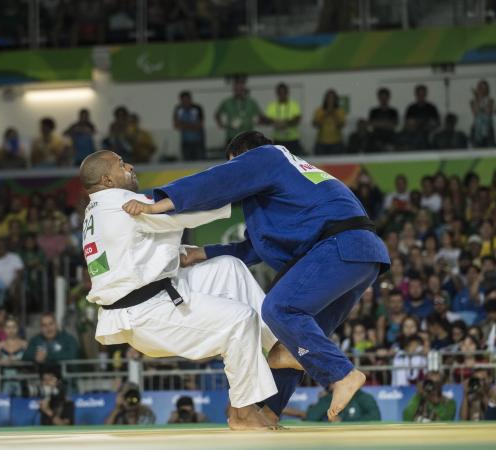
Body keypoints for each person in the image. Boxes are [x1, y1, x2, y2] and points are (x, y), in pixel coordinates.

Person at [127, 131, 390, 422]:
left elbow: (216, 181)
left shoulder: (268, 155)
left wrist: (159, 203)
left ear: (243, 158)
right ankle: (269, 414)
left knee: (279, 309)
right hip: (362, 254)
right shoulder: (293, 178)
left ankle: (343, 374)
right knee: (290, 342)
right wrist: (199, 253)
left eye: (236, 167)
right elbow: (253, 248)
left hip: (338, 247)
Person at [78, 150, 279, 430]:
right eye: (122, 165)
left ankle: (279, 346)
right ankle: (242, 412)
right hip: (147, 312)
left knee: (227, 268)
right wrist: (241, 191)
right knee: (241, 319)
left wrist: (179, 252)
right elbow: (186, 213)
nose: (131, 166)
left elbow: (133, 252)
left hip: (155, 292)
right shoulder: (122, 204)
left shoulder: (97, 210)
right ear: (107, 180)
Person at [215, 77, 264, 144]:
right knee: (232, 154)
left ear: (243, 89)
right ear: (233, 89)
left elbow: (260, 116)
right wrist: (221, 124)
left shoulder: (251, 102)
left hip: (248, 137)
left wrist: (258, 121)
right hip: (232, 136)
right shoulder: (227, 102)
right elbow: (217, 114)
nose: (238, 91)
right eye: (236, 89)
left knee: (248, 154)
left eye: (240, 89)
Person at [264, 83, 303, 155]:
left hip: (292, 140)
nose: (282, 95)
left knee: (294, 161)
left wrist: (285, 123)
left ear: (287, 93)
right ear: (277, 93)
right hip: (278, 140)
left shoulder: (294, 105)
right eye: (280, 93)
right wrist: (275, 122)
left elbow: (298, 119)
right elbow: (266, 120)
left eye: (284, 92)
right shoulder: (272, 106)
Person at [305, 387, 380, 422]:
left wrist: (343, 421)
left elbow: (375, 417)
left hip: (358, 437)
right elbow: (310, 417)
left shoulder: (363, 397)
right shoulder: (328, 398)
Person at [173, 91, 206, 161]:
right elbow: (176, 125)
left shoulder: (197, 108)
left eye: (187, 100)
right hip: (185, 142)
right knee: (187, 162)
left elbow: (200, 125)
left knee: (200, 162)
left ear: (190, 99)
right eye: (183, 101)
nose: (185, 102)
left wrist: (184, 125)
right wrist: (192, 126)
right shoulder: (178, 109)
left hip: (198, 141)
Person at [312, 89, 346, 154]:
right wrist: (325, 114)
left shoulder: (340, 111)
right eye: (328, 98)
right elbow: (315, 125)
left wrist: (333, 114)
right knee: (320, 163)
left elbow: (341, 126)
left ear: (336, 99)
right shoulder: (319, 110)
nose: (330, 100)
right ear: (325, 99)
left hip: (336, 143)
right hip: (321, 143)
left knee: (336, 163)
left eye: (332, 98)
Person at [368, 87, 399, 152]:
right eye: (382, 97)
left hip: (390, 135)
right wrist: (387, 123)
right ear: (378, 98)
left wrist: (379, 123)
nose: (383, 99)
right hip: (376, 135)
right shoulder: (374, 111)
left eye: (385, 97)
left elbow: (394, 124)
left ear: (389, 97)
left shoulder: (393, 111)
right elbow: (371, 124)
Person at [470, 79, 496, 147]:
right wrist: (478, 98)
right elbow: (475, 112)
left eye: (484, 88)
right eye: (480, 87)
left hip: (487, 126)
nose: (482, 90)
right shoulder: (473, 101)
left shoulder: (490, 100)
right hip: (477, 127)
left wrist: (482, 108)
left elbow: (489, 112)